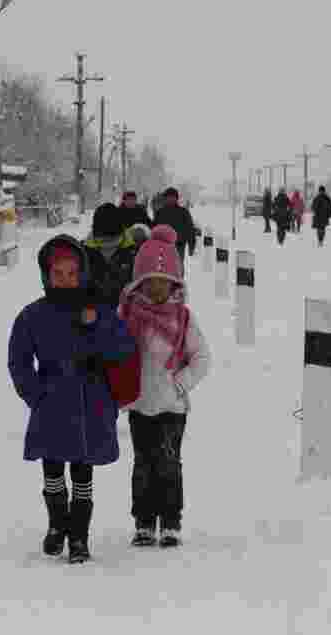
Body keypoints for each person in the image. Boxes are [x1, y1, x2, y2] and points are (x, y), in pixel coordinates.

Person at [7, 235, 137, 564]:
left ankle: (79, 536)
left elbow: (122, 348)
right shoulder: (32, 315)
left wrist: (96, 326)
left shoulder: (99, 311)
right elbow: (19, 360)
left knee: (82, 472)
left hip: (90, 401)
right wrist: (35, 395)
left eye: (72, 273)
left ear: (82, 273)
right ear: (46, 277)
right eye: (58, 274)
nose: (66, 280)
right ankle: (56, 525)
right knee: (52, 469)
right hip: (51, 401)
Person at [118, 224, 211, 548]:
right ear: (139, 282)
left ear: (174, 282)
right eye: (149, 282)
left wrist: (179, 385)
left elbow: (201, 359)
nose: (157, 288)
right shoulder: (127, 314)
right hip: (140, 403)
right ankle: (144, 521)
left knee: (169, 462)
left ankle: (170, 520)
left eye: (164, 282)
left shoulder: (182, 318)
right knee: (143, 464)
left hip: (172, 407)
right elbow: (115, 352)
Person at [83, 202, 139, 307]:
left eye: (112, 240)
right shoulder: (83, 252)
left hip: (125, 313)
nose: (107, 244)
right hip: (91, 314)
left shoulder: (134, 253)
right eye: (103, 240)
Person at [152, 187, 197, 279]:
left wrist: (192, 245)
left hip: (179, 244)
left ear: (177, 198)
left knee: (178, 266)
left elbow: (190, 228)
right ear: (165, 199)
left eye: (173, 197)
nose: (170, 199)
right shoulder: (160, 212)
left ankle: (178, 284)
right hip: (162, 245)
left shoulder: (183, 212)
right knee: (163, 267)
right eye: (168, 197)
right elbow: (154, 229)